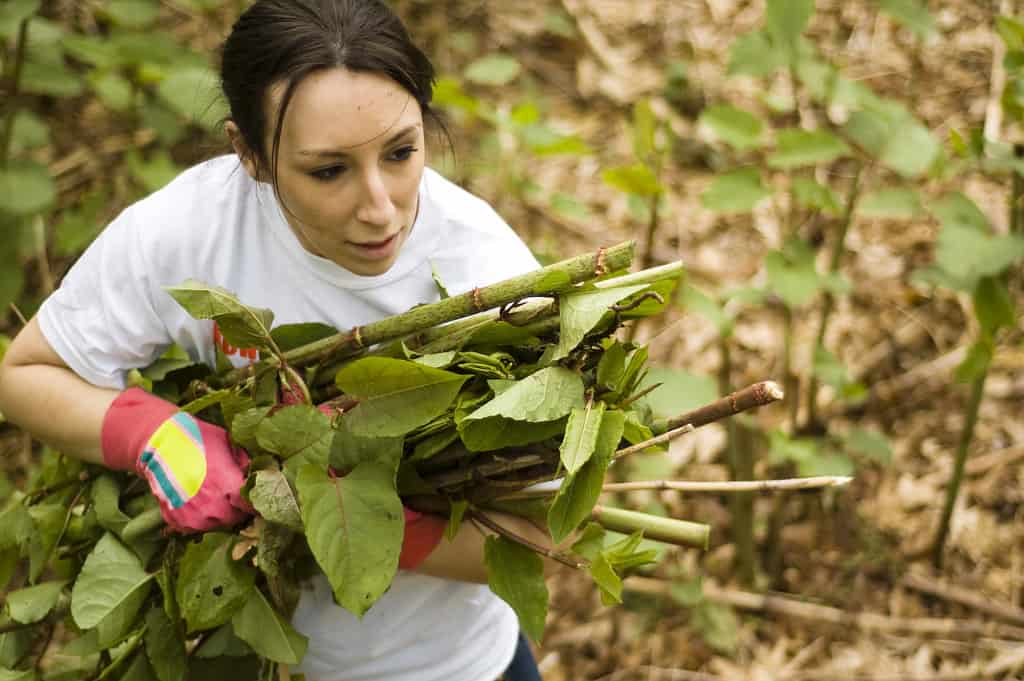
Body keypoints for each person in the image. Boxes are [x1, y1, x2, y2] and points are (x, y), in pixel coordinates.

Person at [0, 1, 553, 679]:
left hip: (457, 665)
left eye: (402, 152)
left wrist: (350, 518)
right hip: (257, 656)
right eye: (329, 171)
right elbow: (25, 373)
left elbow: (544, 530)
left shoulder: (492, 279)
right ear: (250, 153)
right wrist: (147, 430)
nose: (380, 206)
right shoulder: (192, 230)